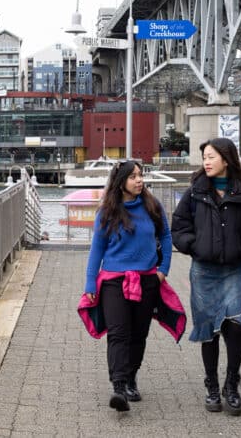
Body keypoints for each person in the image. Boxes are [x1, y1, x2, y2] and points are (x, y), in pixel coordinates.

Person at [171, 137, 241, 416]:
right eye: (204, 158)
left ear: (226, 159)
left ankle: (231, 384)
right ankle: (212, 385)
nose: (207, 162)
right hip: (204, 271)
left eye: (211, 156)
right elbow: (179, 226)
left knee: (236, 326)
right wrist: (194, 246)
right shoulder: (196, 191)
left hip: (235, 270)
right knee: (209, 330)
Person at [83, 160, 173, 412]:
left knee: (138, 334)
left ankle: (132, 377)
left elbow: (166, 236)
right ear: (121, 181)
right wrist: (90, 281)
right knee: (118, 333)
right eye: (133, 176)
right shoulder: (107, 211)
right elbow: (97, 249)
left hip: (147, 279)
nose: (139, 180)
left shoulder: (152, 206)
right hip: (114, 281)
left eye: (140, 175)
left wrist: (163, 269)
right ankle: (119, 387)